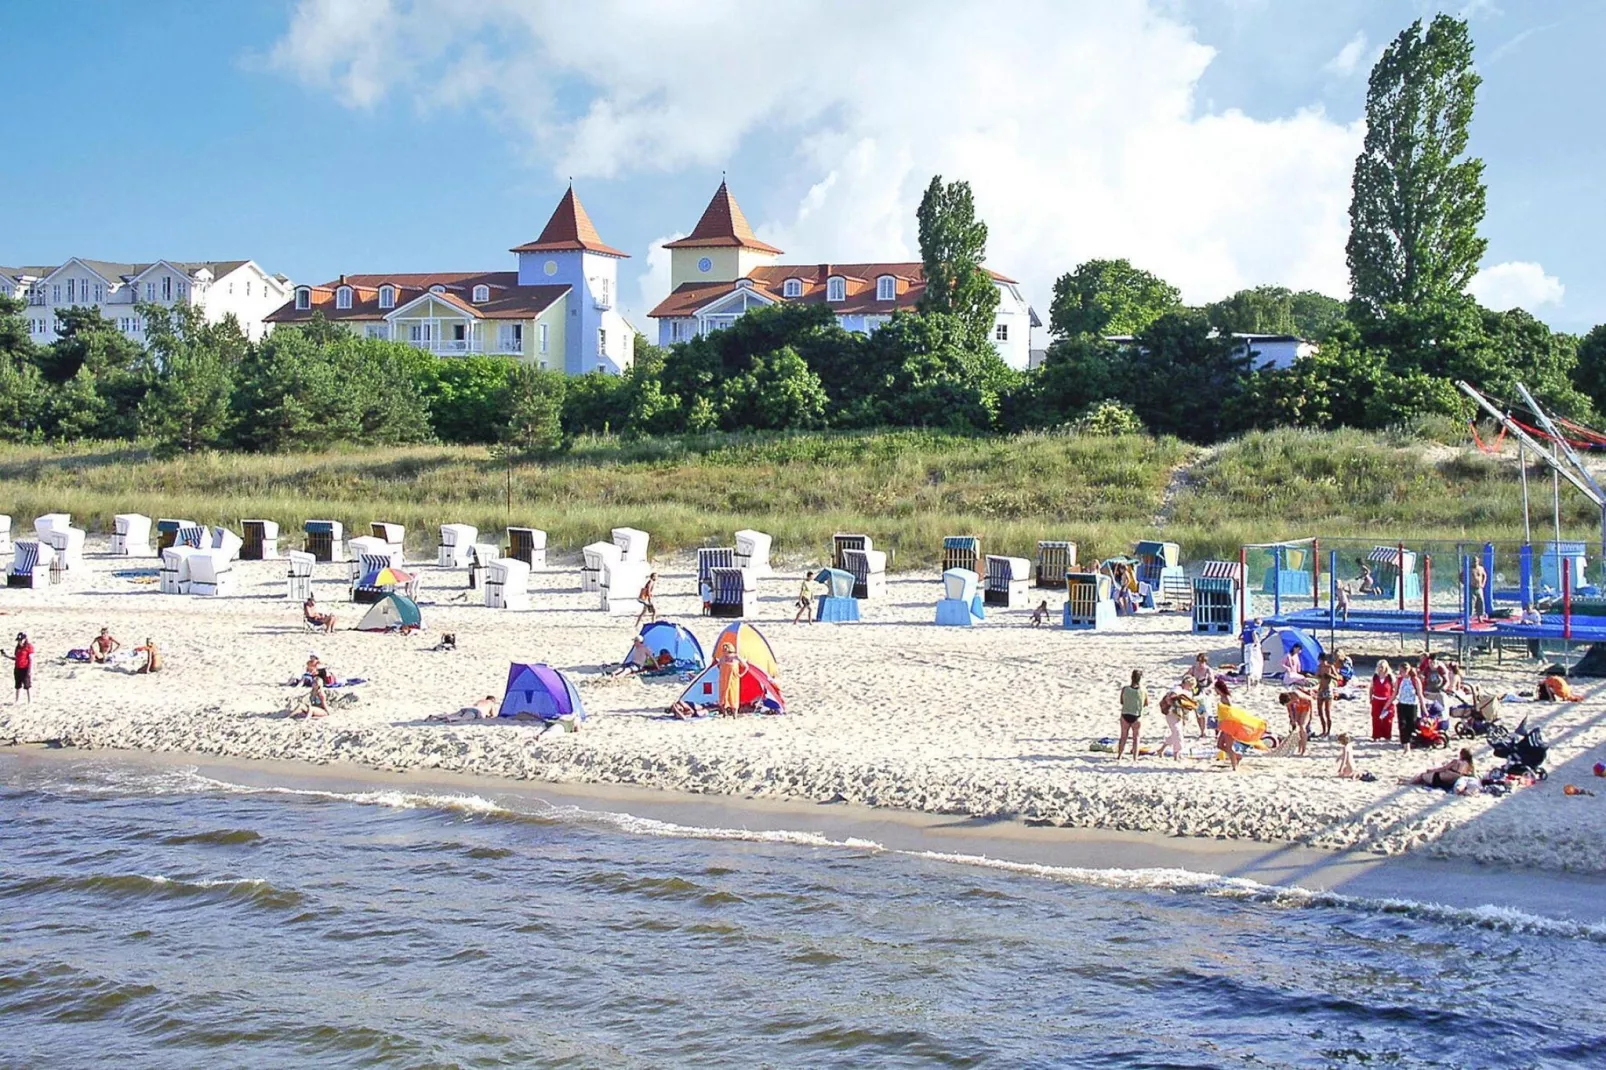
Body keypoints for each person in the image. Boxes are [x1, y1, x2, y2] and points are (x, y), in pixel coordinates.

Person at [1401, 748, 1476, 790]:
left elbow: (1443, 769)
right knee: (1424, 778)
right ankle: (1408, 780)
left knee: (1422, 775)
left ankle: (1408, 782)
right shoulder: (1470, 766)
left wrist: (1431, 770)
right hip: (1451, 782)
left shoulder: (1456, 762)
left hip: (1440, 778)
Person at [1116, 669, 1148, 761]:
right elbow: (1146, 703)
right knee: (1136, 737)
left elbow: (1122, 701)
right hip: (1137, 715)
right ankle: (1135, 757)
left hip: (1125, 714)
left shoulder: (1125, 689)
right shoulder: (1143, 690)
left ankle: (1120, 755)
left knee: (1123, 736)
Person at [1158, 683, 1192, 761]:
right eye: (1190, 685)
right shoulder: (1177, 689)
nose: (1190, 688)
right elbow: (1169, 699)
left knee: (1176, 733)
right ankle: (1176, 754)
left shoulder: (1187, 691)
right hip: (1171, 713)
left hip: (1179, 714)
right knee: (1177, 732)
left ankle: (1161, 749)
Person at [716, 641, 747, 717]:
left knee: (733, 696)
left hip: (733, 680)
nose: (724, 652)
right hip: (723, 680)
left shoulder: (735, 657)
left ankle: (734, 715)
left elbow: (746, 667)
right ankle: (724, 714)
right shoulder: (722, 658)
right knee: (723, 696)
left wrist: (740, 675)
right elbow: (718, 666)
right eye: (723, 650)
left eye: (725, 650)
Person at [1395, 663, 1421, 748]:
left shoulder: (1415, 680)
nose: (1401, 673)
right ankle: (1405, 744)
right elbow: (1394, 694)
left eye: (1402, 671)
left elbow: (1420, 695)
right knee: (1402, 725)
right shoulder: (1399, 680)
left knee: (1411, 725)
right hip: (1402, 704)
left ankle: (1410, 742)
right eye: (1400, 671)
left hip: (1412, 705)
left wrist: (1424, 708)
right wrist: (1386, 706)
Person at [1279, 690, 1312, 757]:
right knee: (1297, 727)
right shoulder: (1288, 701)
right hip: (1298, 707)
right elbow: (1290, 711)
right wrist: (1293, 721)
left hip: (1306, 705)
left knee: (1302, 726)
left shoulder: (1296, 694)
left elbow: (1310, 699)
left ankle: (1304, 749)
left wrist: (1311, 714)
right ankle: (1299, 748)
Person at [1369, 660, 1396, 741]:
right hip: (1376, 700)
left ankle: (1387, 735)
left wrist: (1392, 699)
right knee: (1376, 718)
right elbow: (1371, 688)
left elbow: (1395, 689)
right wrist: (1370, 698)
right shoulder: (1375, 677)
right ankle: (1376, 736)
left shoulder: (1390, 677)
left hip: (1387, 701)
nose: (1380, 669)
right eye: (1379, 667)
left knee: (1388, 719)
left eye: (1382, 667)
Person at [1314, 653, 1339, 738]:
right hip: (1321, 689)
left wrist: (1329, 675)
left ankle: (1328, 731)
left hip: (1328, 690)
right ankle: (1323, 730)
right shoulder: (1319, 667)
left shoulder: (1330, 667)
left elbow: (1338, 677)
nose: (1321, 662)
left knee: (1327, 711)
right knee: (1320, 711)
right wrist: (1319, 676)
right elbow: (1316, 676)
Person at [4, 633, 34, 702]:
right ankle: (17, 700)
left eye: (21, 640)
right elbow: (17, 658)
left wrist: (30, 670)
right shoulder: (17, 647)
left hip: (25, 668)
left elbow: (31, 659)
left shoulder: (29, 647)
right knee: (17, 684)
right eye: (18, 640)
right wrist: (7, 656)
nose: (19, 642)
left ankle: (30, 701)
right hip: (17, 668)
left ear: (25, 639)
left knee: (27, 685)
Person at [1239, 618, 1266, 688]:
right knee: (1258, 663)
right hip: (1254, 646)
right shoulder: (1258, 627)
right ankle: (1256, 683)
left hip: (1247, 647)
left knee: (1248, 666)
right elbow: (1254, 633)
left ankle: (1248, 687)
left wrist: (1244, 642)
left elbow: (1240, 637)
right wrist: (1256, 642)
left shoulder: (1246, 628)